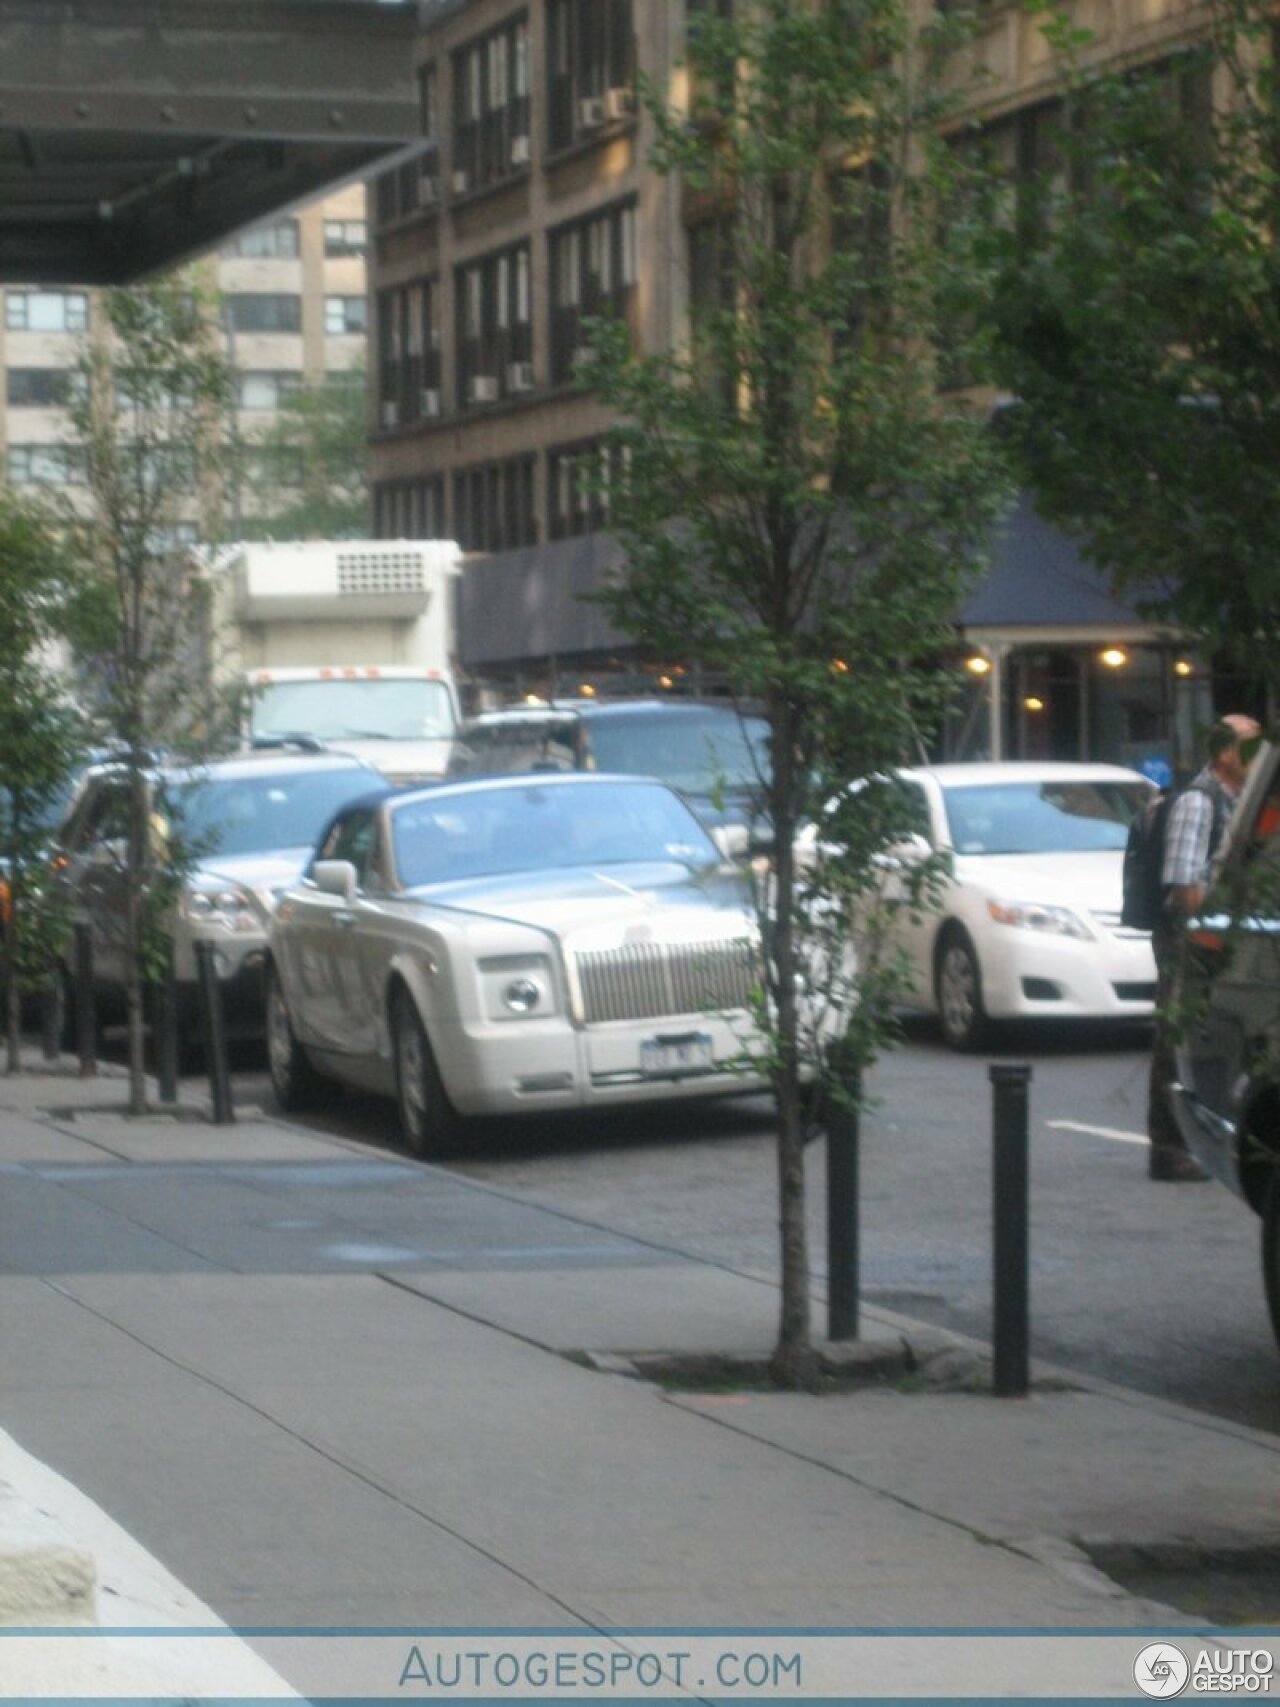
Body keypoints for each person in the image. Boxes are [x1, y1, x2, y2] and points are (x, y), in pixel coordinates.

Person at [1148, 713, 1262, 1181]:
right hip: (1194, 941)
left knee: (1225, 1037)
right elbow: (1184, 882)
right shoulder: (1199, 801)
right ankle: (1169, 1146)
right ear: (1224, 753)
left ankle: (1222, 1136)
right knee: (1177, 1038)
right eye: (1250, 748)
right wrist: (1211, 935)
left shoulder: (1240, 800)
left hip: (1226, 936)